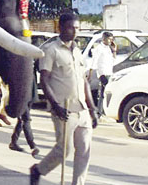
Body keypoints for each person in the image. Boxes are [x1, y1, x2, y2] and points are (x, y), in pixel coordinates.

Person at [30, 11, 99, 185]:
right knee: (64, 150)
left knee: (84, 150)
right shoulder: (51, 50)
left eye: (77, 28)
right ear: (60, 27)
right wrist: (55, 105)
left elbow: (84, 81)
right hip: (64, 108)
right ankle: (38, 170)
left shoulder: (78, 51)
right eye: (70, 28)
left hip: (82, 108)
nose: (74, 31)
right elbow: (44, 80)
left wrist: (92, 108)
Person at [87, 32, 115, 118]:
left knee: (107, 92)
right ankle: (99, 112)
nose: (110, 41)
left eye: (112, 39)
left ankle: (103, 111)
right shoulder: (99, 48)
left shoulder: (109, 48)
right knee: (102, 93)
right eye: (109, 39)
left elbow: (113, 60)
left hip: (109, 72)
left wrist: (114, 50)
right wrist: (91, 74)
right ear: (104, 39)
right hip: (102, 73)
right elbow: (94, 61)